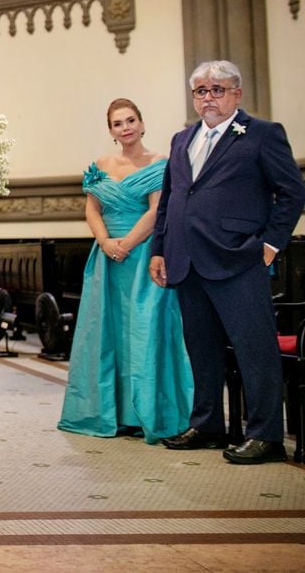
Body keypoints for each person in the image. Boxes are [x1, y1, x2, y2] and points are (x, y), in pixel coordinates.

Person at [151, 60, 305, 464]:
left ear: (236, 94)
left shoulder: (262, 134)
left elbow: (292, 192)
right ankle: (207, 425)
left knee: (255, 350)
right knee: (201, 349)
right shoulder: (181, 139)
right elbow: (170, 200)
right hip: (187, 260)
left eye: (217, 90)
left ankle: (266, 434)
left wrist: (271, 244)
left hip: (238, 259)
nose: (208, 98)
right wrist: (159, 249)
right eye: (201, 91)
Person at [58, 99, 193, 443]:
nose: (126, 127)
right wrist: (105, 242)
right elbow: (92, 209)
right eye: (118, 123)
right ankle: (111, 412)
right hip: (106, 258)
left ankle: (145, 412)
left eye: (131, 120)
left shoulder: (160, 162)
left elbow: (156, 211)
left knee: (143, 330)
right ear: (111, 131)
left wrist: (126, 245)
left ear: (142, 124)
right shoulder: (101, 164)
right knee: (106, 333)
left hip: (143, 255)